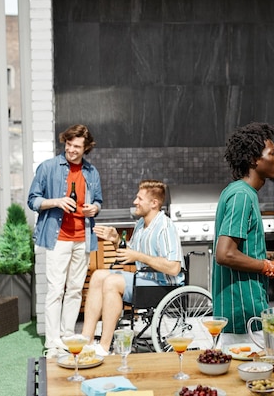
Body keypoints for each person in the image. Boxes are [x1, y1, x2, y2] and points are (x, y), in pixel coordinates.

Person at [213, 122, 274, 345]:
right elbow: (225, 254)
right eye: (272, 153)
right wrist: (272, 267)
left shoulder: (243, 192)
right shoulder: (241, 195)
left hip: (247, 312)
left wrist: (271, 256)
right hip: (243, 316)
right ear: (254, 159)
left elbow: (240, 251)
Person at [80, 180, 184, 356]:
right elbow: (129, 253)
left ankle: (104, 347)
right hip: (145, 281)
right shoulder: (140, 225)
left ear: (154, 203)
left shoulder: (165, 226)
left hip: (165, 287)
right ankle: (85, 341)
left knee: (112, 282)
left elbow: (174, 268)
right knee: (98, 276)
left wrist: (138, 256)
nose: (135, 201)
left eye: (139, 198)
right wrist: (115, 240)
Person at [27, 124, 103, 358]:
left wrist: (94, 208)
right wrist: (57, 202)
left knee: (75, 290)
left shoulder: (91, 172)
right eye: (68, 144)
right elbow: (33, 200)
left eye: (77, 146)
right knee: (55, 290)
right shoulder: (48, 167)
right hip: (58, 237)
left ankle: (67, 334)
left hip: (83, 237)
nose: (71, 149)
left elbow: (99, 201)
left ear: (85, 148)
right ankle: (52, 342)